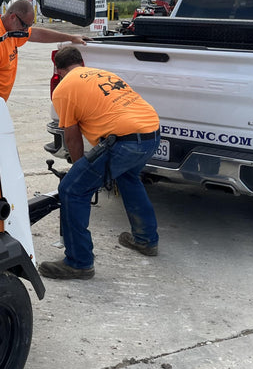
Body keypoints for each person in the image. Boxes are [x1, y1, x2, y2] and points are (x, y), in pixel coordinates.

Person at [38, 46, 161, 280]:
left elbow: (72, 136)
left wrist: (77, 168)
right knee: (127, 177)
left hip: (124, 141)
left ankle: (79, 262)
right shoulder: (103, 74)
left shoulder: (64, 88)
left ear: (59, 69)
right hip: (151, 132)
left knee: (72, 190)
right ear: (81, 63)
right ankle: (146, 240)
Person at [0, 0, 89, 100]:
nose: (25, 30)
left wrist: (70, 37)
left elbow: (37, 34)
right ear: (13, 17)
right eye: (25, 26)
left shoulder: (12, 31)